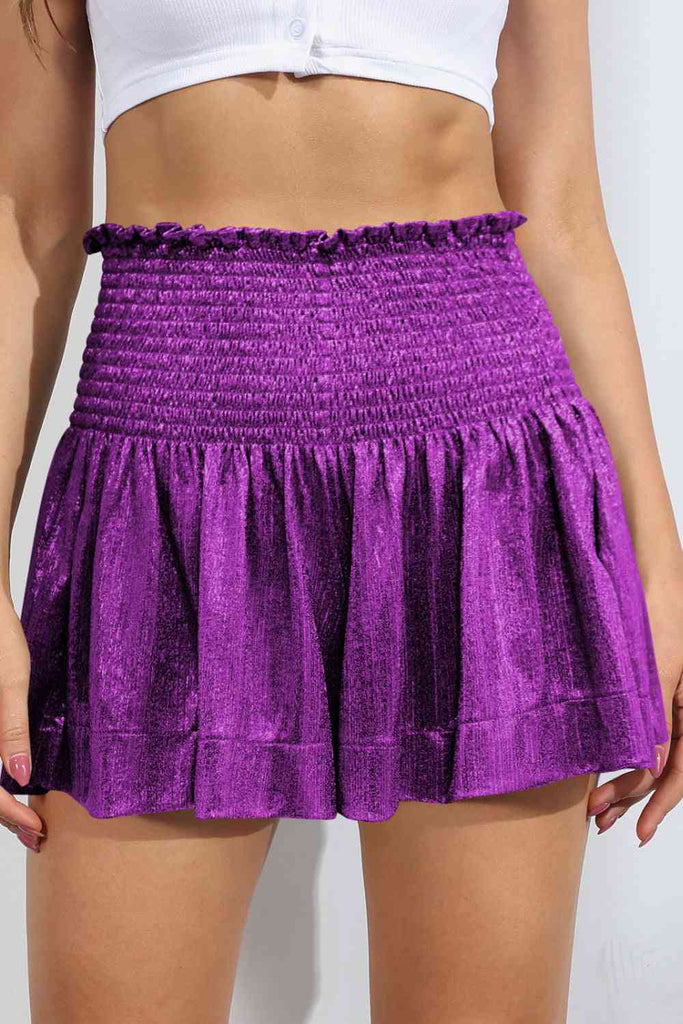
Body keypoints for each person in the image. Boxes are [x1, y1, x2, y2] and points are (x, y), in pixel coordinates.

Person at [1, 1, 682, 1021]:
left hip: (479, 484)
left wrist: (659, 572)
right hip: (160, 487)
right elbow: (24, 227)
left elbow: (564, 213)